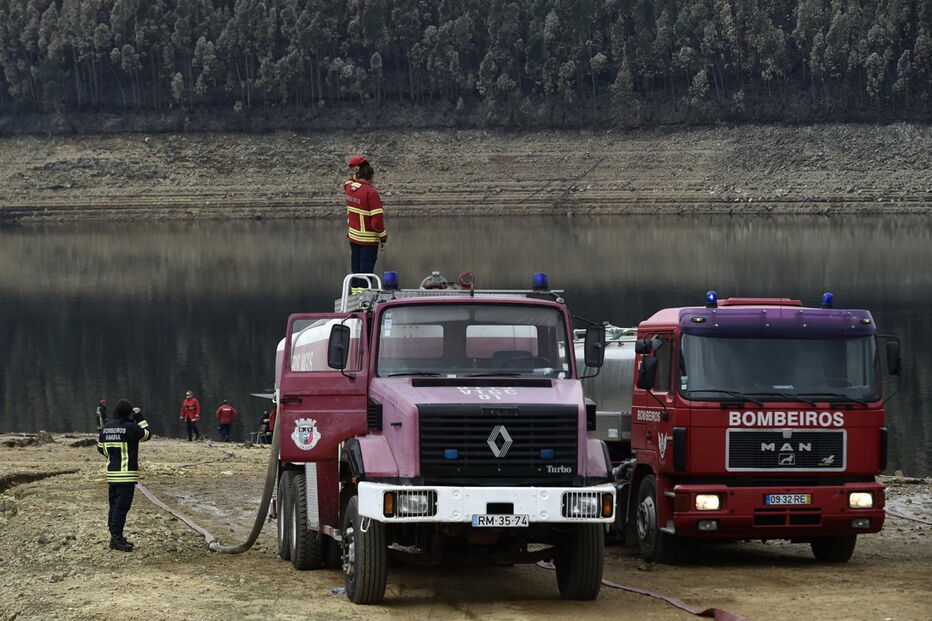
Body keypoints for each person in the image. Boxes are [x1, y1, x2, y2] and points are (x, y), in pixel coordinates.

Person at [97, 399, 151, 552]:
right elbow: (147, 434)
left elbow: (100, 448)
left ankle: (115, 536)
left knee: (114, 506)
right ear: (129, 413)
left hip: (112, 475)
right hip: (126, 475)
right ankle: (116, 539)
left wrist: (113, 457)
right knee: (121, 508)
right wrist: (139, 416)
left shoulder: (107, 427)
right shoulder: (130, 428)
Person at [344, 155, 387, 292]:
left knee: (356, 267)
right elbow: (377, 222)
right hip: (368, 239)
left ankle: (354, 294)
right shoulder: (371, 193)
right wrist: (383, 238)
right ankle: (364, 298)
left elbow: (350, 180)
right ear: (371, 177)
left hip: (353, 236)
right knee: (366, 270)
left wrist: (360, 165)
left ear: (357, 175)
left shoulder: (349, 187)